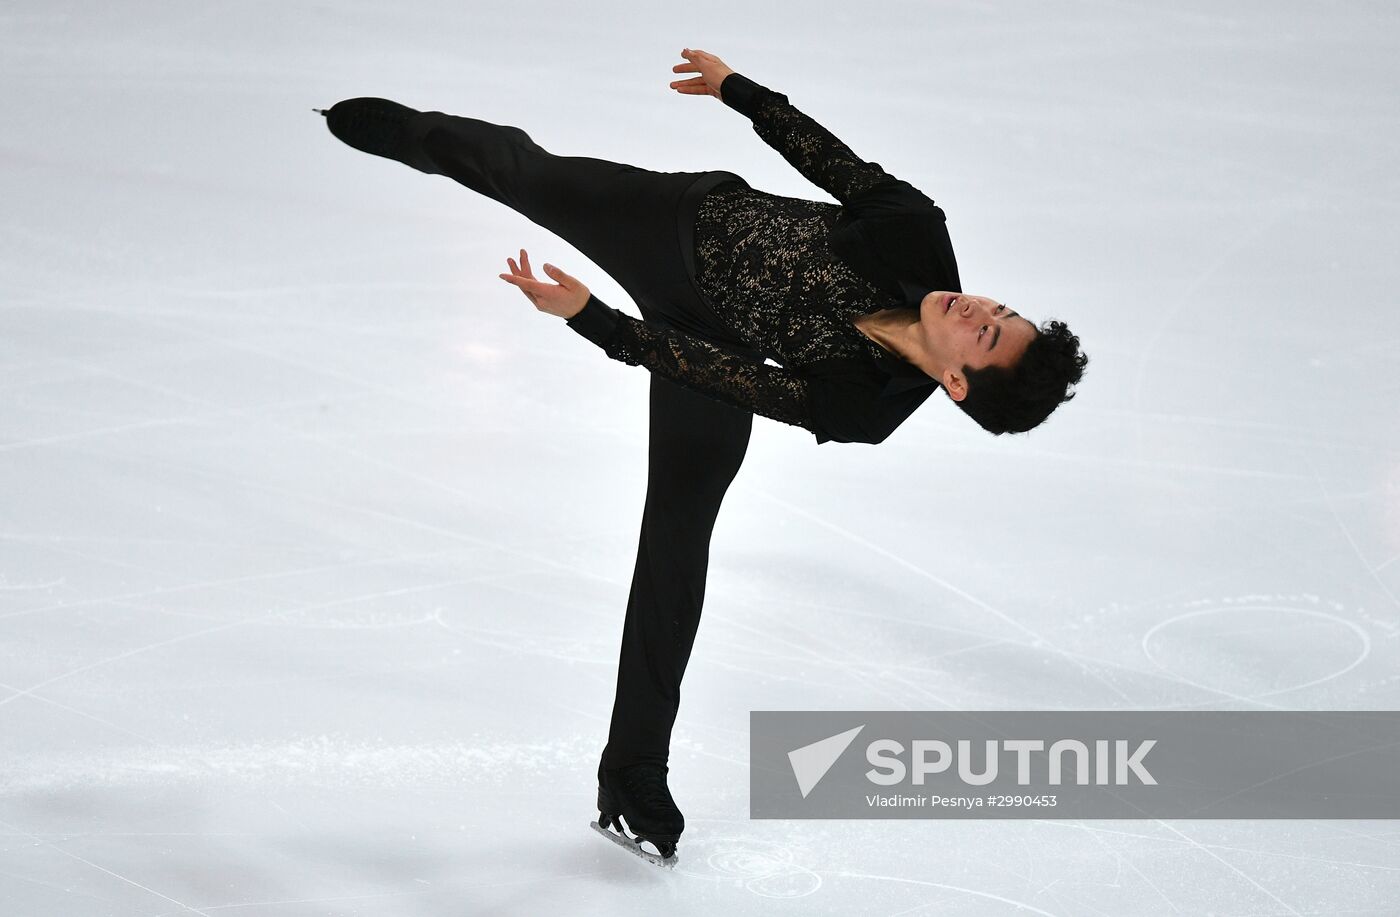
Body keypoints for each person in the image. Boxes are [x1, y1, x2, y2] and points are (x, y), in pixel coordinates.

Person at [319, 48, 1087, 865]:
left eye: (988, 331)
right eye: (1000, 307)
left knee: (677, 542)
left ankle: (632, 774)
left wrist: (596, 320)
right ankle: (404, 131)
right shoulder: (917, 235)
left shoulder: (869, 407)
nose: (979, 306)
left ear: (961, 381)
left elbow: (728, 380)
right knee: (518, 169)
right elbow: (827, 156)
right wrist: (737, 91)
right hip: (669, 221)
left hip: (707, 347)